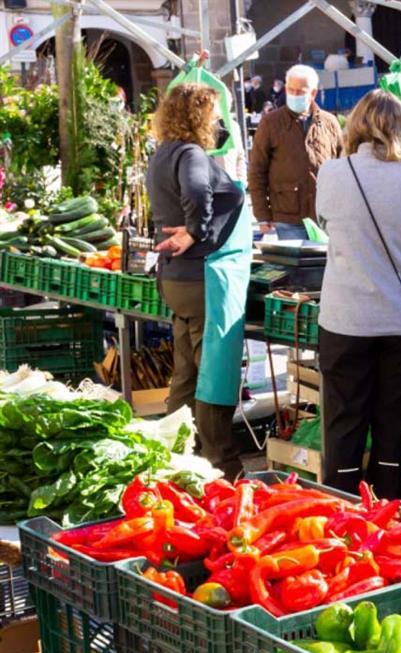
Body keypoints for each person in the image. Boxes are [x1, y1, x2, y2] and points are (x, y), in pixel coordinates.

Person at [315, 90, 401, 499]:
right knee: (392, 423)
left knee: (344, 422)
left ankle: (340, 511)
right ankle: (386, 512)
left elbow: (325, 224)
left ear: (355, 127)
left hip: (345, 320)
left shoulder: (333, 174)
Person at [147, 82, 253, 479]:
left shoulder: (162, 154)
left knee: (187, 372)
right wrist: (195, 231)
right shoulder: (191, 153)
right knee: (213, 372)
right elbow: (196, 191)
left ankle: (174, 458)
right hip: (203, 277)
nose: (219, 121)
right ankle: (222, 464)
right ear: (198, 116)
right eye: (213, 113)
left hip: (177, 279)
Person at [248, 64, 341, 240]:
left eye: (300, 91)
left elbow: (343, 165)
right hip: (288, 215)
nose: (294, 95)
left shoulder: (329, 123)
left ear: (312, 93)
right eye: (291, 90)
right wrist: (262, 214)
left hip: (326, 214)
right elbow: (256, 171)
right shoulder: (271, 123)